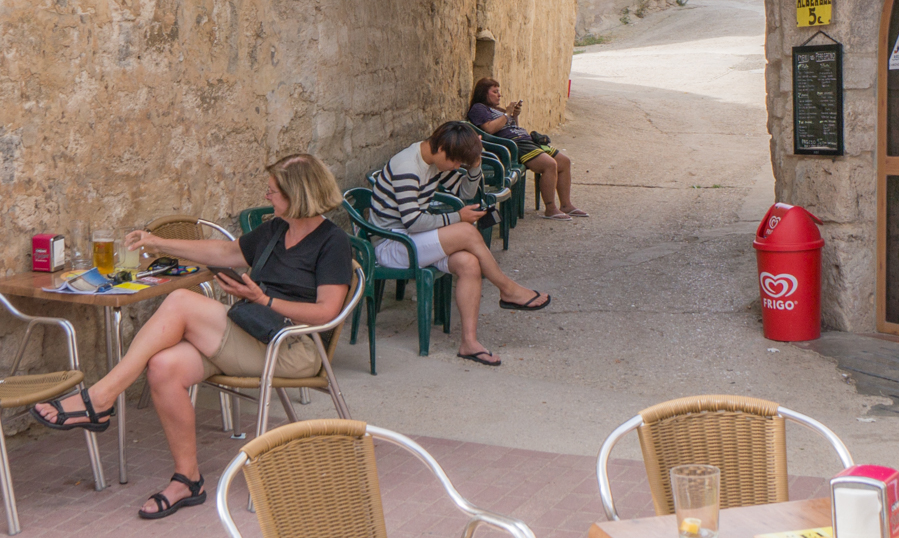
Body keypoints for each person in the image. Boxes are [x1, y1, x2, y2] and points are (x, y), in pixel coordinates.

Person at [32, 153, 352, 521]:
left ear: (300, 195)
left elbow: (327, 312)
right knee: (164, 366)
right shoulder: (277, 228)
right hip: (251, 332)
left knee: (182, 301)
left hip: (292, 346)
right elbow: (226, 251)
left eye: (274, 192)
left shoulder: (333, 241)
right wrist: (157, 242)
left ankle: (99, 399)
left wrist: (264, 299)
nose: (268, 198)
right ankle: (188, 480)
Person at [368, 120, 550, 367]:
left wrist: (474, 165)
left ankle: (469, 343)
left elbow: (464, 192)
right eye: (455, 161)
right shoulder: (408, 167)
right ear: (441, 147)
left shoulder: (435, 161)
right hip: (390, 244)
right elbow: (412, 222)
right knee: (465, 231)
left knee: (469, 263)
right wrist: (457, 217)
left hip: (411, 241)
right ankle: (508, 289)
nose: (455, 166)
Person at [467, 78, 587, 220]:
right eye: (495, 92)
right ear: (483, 93)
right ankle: (550, 208)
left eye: (499, 92)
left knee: (564, 162)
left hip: (527, 141)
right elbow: (489, 129)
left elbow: (513, 127)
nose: (499, 95)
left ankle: (566, 205)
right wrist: (507, 114)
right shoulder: (479, 108)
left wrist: (514, 115)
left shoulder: (497, 110)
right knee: (549, 165)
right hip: (515, 145)